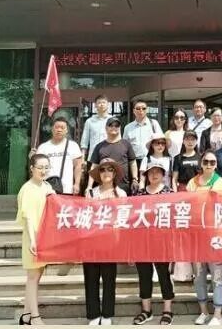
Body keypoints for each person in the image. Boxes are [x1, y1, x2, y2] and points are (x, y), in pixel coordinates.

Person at [186, 151, 222, 325]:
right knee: (199, 275)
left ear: (216, 164)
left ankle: (218, 314)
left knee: (217, 276)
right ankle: (203, 311)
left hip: (216, 236)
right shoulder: (192, 183)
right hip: (196, 235)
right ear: (201, 163)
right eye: (206, 161)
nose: (209, 165)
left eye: (212, 162)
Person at [83, 158, 126, 325]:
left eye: (110, 169)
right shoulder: (91, 193)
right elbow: (85, 217)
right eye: (102, 169)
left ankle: (107, 313)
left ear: (114, 173)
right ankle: (93, 314)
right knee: (91, 278)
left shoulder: (121, 193)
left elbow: (124, 218)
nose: (106, 173)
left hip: (111, 242)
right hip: (91, 241)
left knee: (109, 279)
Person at [133, 161, 175, 325]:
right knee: (144, 276)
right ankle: (146, 310)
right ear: (146, 175)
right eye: (151, 172)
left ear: (163, 175)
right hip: (142, 242)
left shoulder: (169, 193)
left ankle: (167, 310)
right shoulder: (139, 194)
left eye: (158, 171)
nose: (154, 174)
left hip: (162, 242)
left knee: (164, 275)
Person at [16, 154, 55, 326]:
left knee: (37, 276)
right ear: (32, 168)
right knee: (33, 277)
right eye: (40, 167)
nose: (43, 171)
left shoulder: (46, 186)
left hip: (44, 237)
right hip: (33, 238)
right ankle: (35, 317)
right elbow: (29, 217)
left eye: (46, 167)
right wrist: (33, 240)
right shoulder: (28, 189)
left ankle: (26, 315)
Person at [87, 117, 138, 195]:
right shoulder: (99, 146)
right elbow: (94, 167)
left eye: (116, 125)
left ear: (119, 128)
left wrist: (135, 179)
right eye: (111, 125)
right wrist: (89, 186)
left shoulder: (126, 144)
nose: (114, 127)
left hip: (123, 186)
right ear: (106, 128)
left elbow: (133, 163)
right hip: (104, 187)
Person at [35, 117, 83, 195]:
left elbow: (78, 166)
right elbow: (37, 168)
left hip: (67, 189)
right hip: (46, 188)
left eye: (62, 128)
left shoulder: (73, 146)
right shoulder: (43, 147)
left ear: (67, 130)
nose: (59, 130)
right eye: (56, 127)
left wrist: (77, 184)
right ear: (52, 129)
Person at [81, 94, 112, 161]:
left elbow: (118, 139)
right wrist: (83, 157)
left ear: (108, 105)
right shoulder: (89, 121)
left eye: (104, 102)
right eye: (99, 103)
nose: (102, 104)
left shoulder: (113, 120)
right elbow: (84, 141)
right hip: (93, 156)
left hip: (110, 156)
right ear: (95, 105)